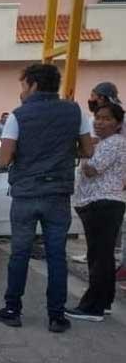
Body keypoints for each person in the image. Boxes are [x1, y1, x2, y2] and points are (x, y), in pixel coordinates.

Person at [0, 63, 94, 333]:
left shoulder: (18, 116)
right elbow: (87, 150)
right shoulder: (76, 112)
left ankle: (12, 309)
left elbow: (3, 159)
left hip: (26, 194)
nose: (21, 93)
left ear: (34, 84)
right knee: (56, 255)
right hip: (58, 194)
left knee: (20, 254)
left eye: (23, 86)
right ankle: (57, 317)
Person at [66, 102, 126, 322]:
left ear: (118, 123)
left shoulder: (114, 143)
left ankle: (92, 307)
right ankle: (105, 301)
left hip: (103, 204)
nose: (100, 122)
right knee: (103, 256)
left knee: (99, 257)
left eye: (107, 118)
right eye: (98, 118)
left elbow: (92, 170)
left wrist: (84, 154)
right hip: (101, 204)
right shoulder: (105, 142)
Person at [71, 82, 121, 264]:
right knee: (98, 248)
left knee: (102, 250)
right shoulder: (94, 120)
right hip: (92, 195)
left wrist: (85, 150)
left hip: (106, 195)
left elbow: (92, 167)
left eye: (93, 95)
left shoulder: (116, 135)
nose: (100, 122)